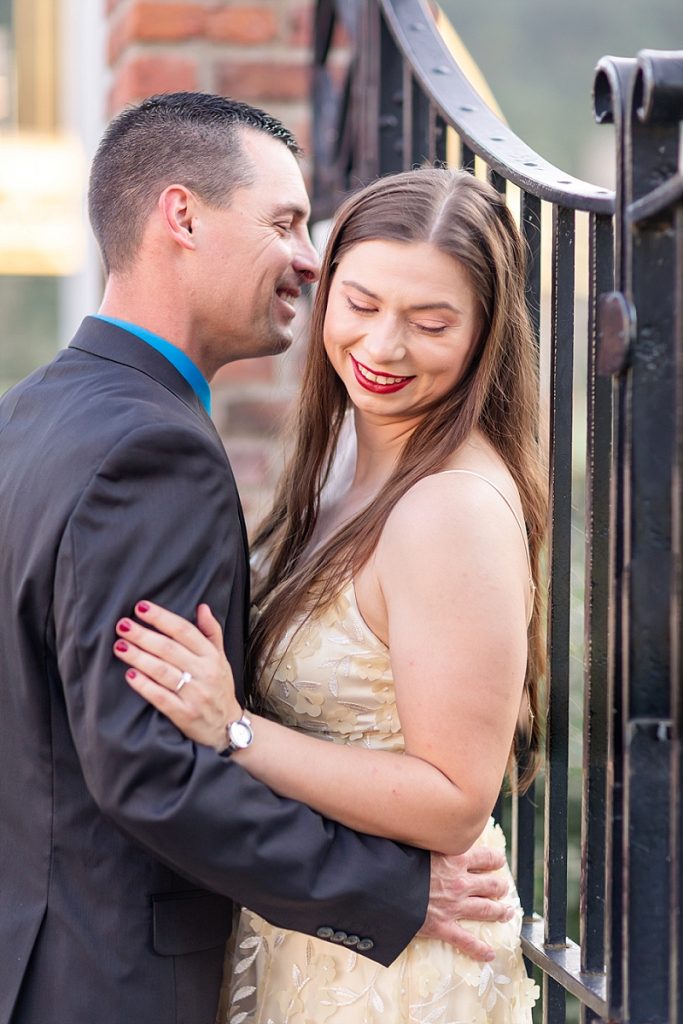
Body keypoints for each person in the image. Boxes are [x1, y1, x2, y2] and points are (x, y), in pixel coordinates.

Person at [0, 95, 512, 1024]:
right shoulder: (153, 453)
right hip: (106, 977)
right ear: (183, 216)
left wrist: (235, 727)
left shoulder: (26, 412)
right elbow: (149, 769)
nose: (308, 259)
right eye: (285, 221)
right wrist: (389, 894)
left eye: (430, 320)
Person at [112, 167, 546, 1022]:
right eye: (361, 304)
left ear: (483, 336)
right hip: (319, 934)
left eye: (430, 323)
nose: (383, 348)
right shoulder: (347, 447)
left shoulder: (450, 509)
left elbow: (455, 802)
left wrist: (231, 728)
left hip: (400, 974)